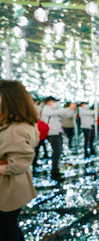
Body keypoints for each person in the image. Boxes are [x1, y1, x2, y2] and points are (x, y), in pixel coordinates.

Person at [0, 80, 39, 241]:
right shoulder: (14, 124)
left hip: (9, 189)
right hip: (10, 187)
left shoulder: (17, 129)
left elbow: (18, 164)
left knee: (6, 229)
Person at [41, 97, 76, 181]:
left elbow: (66, 115)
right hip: (51, 133)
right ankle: (54, 172)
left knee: (59, 151)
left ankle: (56, 169)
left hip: (57, 132)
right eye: (54, 101)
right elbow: (59, 112)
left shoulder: (55, 109)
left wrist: (72, 110)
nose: (55, 103)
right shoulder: (46, 109)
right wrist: (69, 108)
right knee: (56, 151)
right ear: (48, 102)